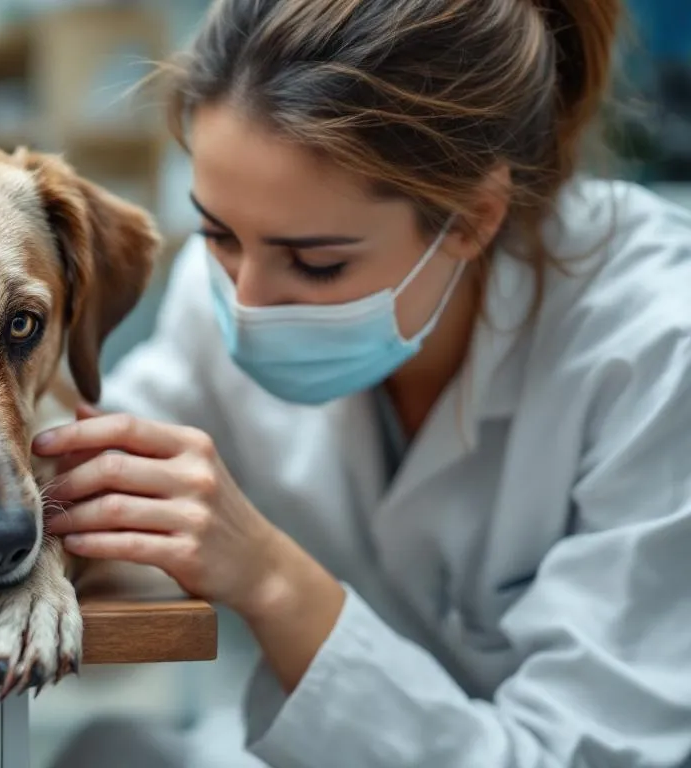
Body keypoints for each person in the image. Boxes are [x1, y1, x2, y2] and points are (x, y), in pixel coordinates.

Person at [37, 0, 691, 766]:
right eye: (217, 234)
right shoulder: (219, 288)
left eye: (317, 264)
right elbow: (79, 472)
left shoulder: (655, 347)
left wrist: (272, 578)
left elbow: (564, 755)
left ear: (474, 217)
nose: (245, 305)